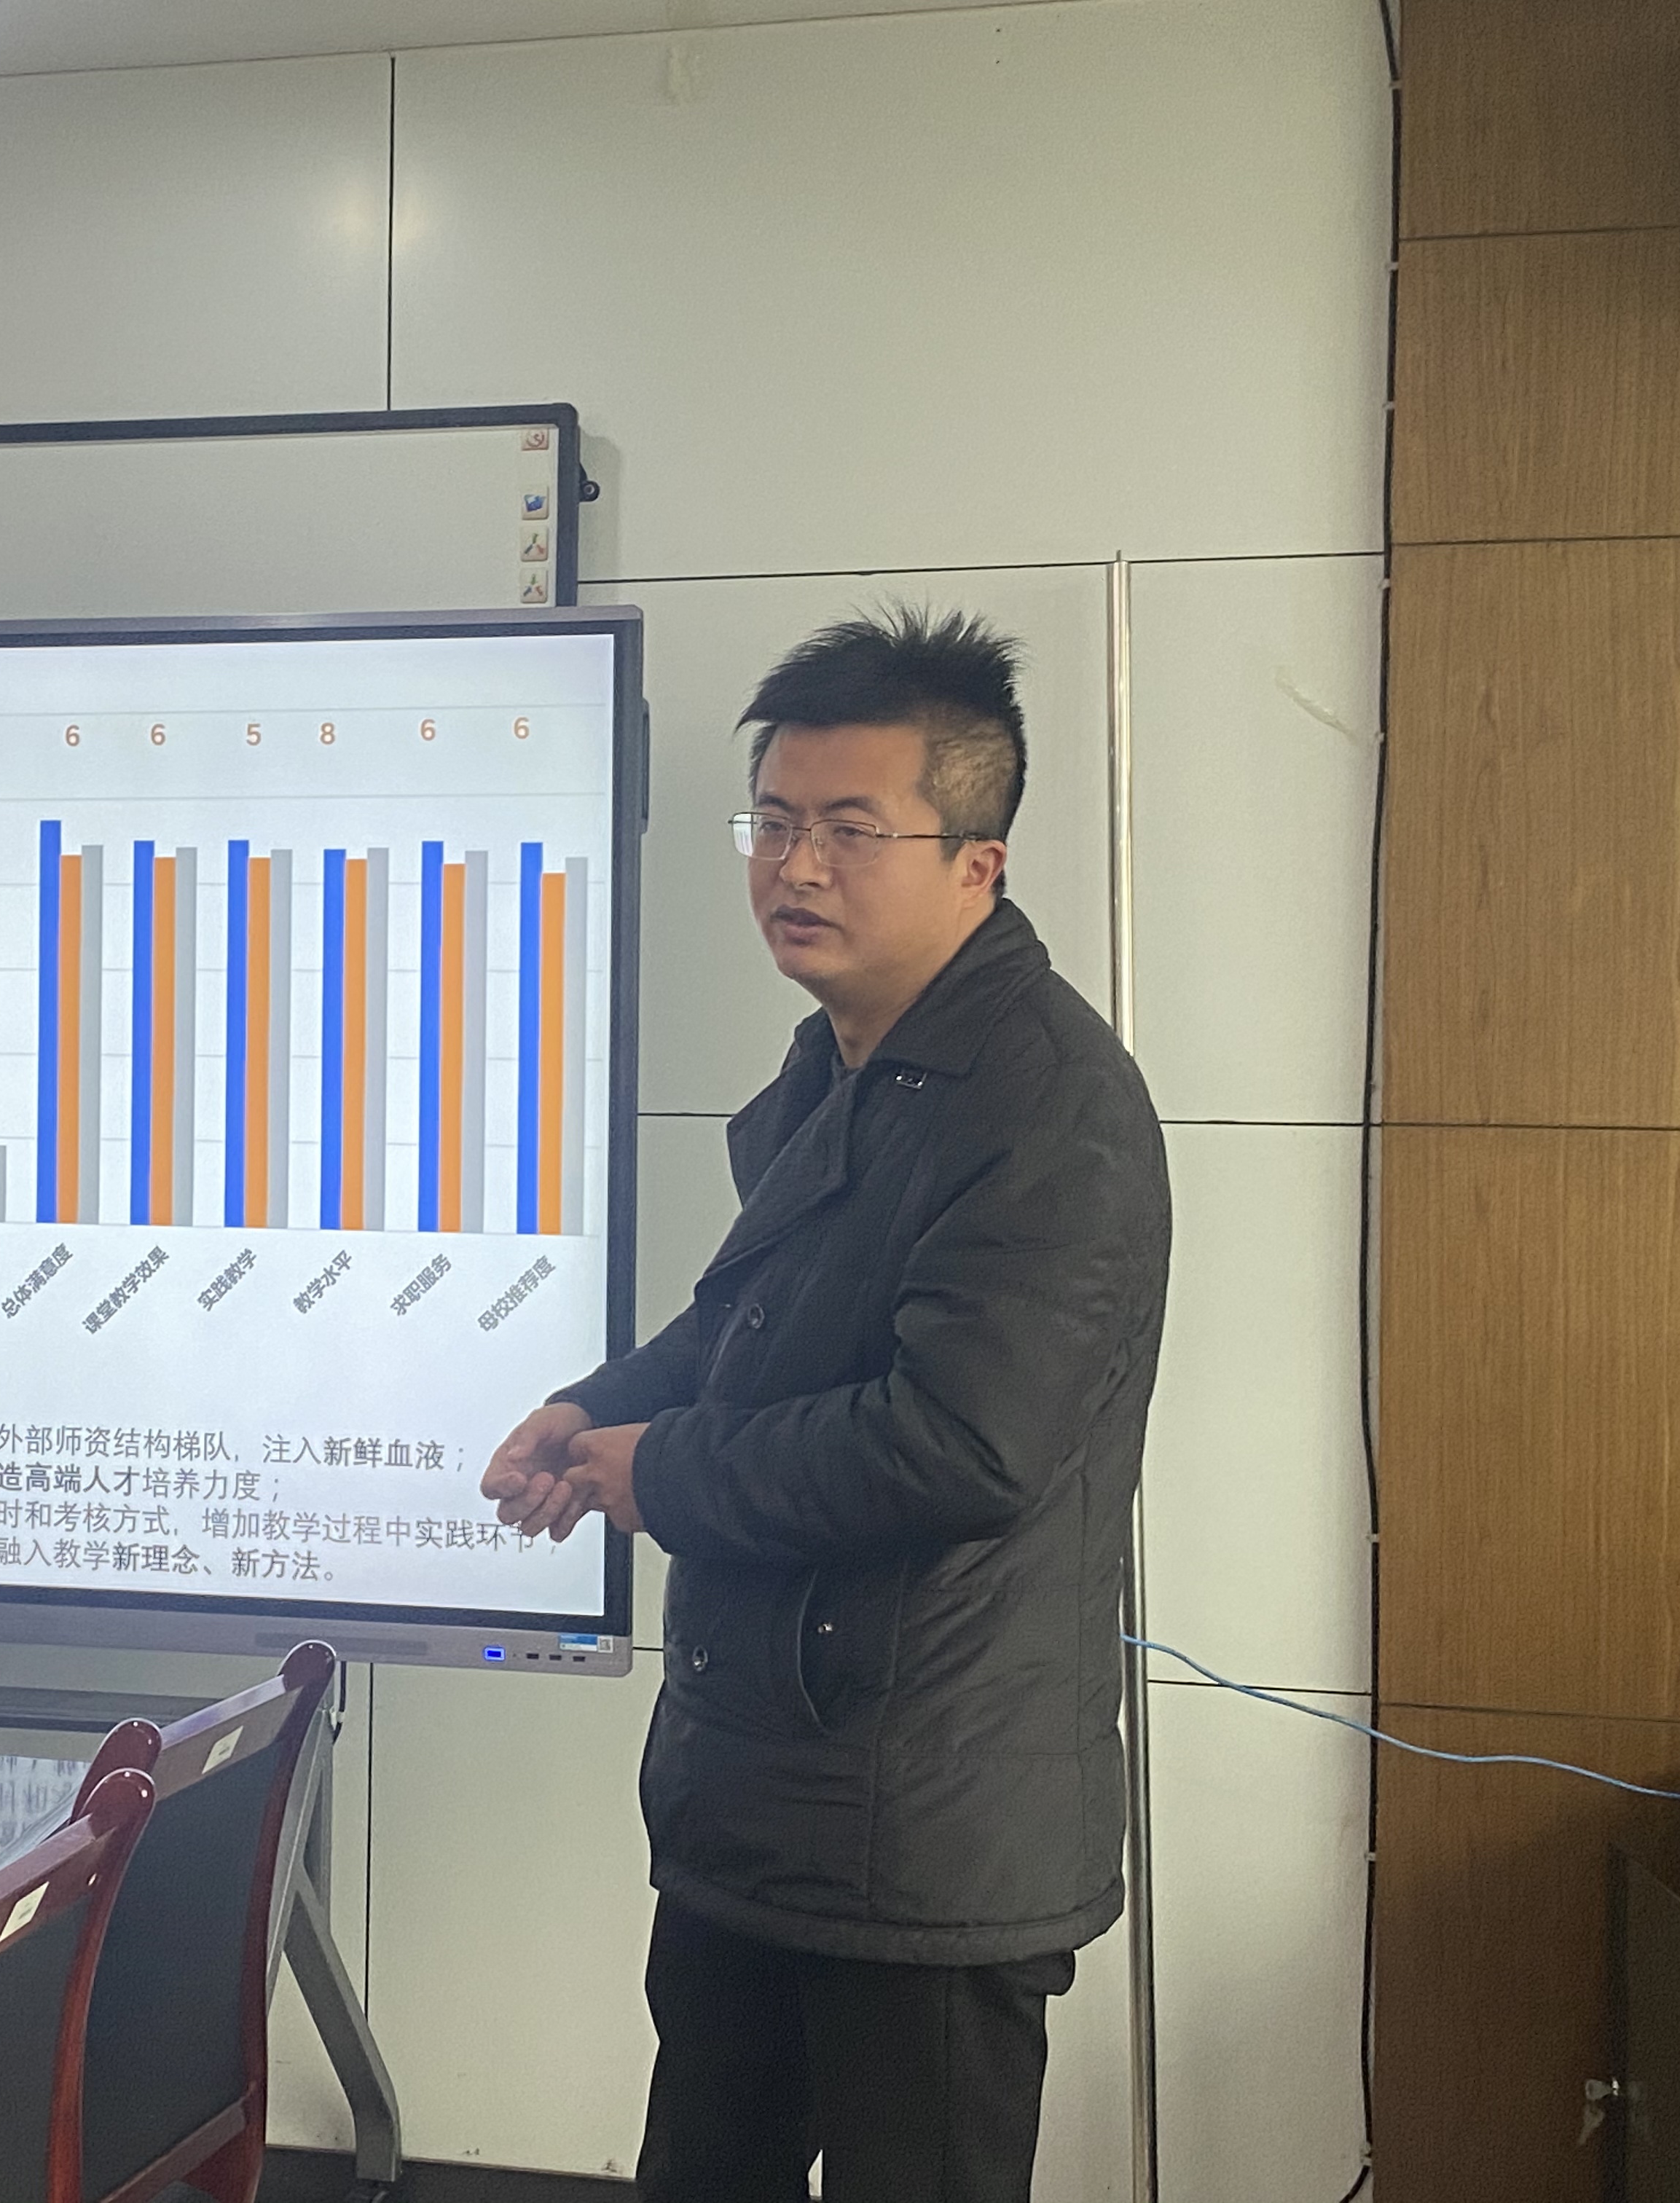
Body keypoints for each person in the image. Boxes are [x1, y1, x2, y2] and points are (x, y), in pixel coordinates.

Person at [483, 609, 1170, 2203]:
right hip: (769, 1803)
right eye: (775, 822)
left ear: (978, 864)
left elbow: (964, 1441)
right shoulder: (851, 1061)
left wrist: (668, 1472)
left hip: (925, 1839)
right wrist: (596, 1410)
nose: (797, 868)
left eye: (852, 830)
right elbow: (758, 1327)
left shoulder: (1047, 1107)